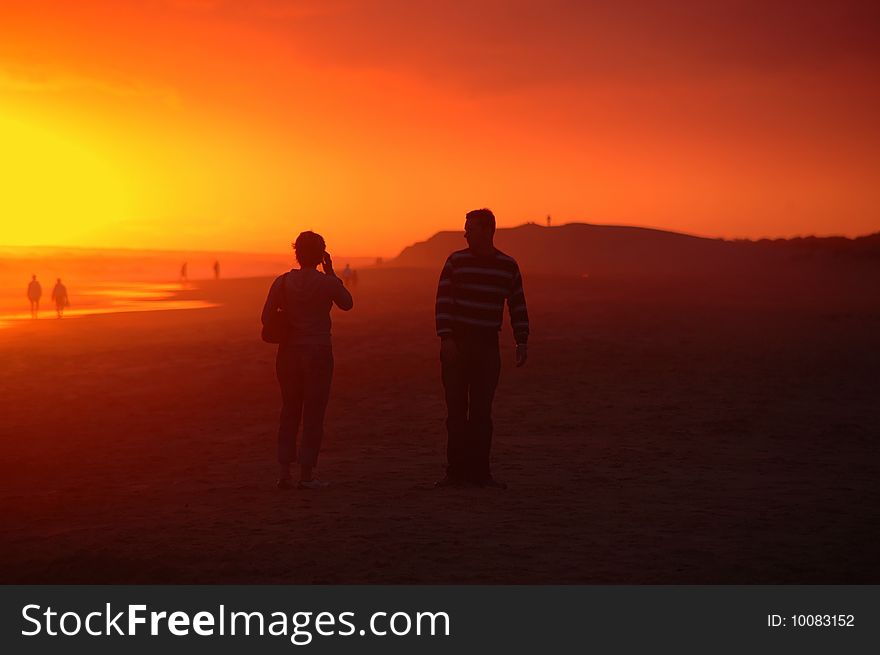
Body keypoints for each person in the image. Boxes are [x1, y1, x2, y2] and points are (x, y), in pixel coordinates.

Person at [434, 208, 529, 488]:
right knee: (455, 412)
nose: (465, 233)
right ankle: (455, 473)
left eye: (470, 229)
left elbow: (518, 305)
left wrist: (521, 340)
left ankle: (480, 473)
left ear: (487, 231)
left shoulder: (507, 266)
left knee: (481, 413)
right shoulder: (456, 262)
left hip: (487, 345)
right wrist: (446, 338)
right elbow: (443, 302)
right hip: (457, 344)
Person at [261, 231, 353, 489]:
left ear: (296, 253)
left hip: (289, 352)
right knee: (314, 412)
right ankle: (306, 474)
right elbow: (347, 303)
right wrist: (331, 272)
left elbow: (266, 317)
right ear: (321, 255)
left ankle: (283, 473)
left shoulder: (282, 282)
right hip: (318, 350)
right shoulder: (327, 282)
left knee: (290, 409)